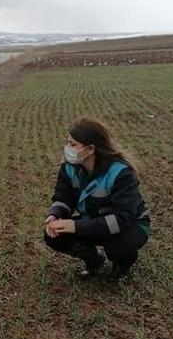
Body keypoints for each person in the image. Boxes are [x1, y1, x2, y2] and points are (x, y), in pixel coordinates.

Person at [43, 116, 150, 280]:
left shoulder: (121, 173)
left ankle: (123, 264)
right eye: (68, 142)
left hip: (130, 224)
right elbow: (63, 197)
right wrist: (55, 215)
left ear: (90, 149)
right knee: (54, 234)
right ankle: (93, 260)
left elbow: (122, 218)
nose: (67, 148)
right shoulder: (69, 168)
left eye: (72, 144)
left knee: (118, 247)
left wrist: (76, 226)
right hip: (94, 220)